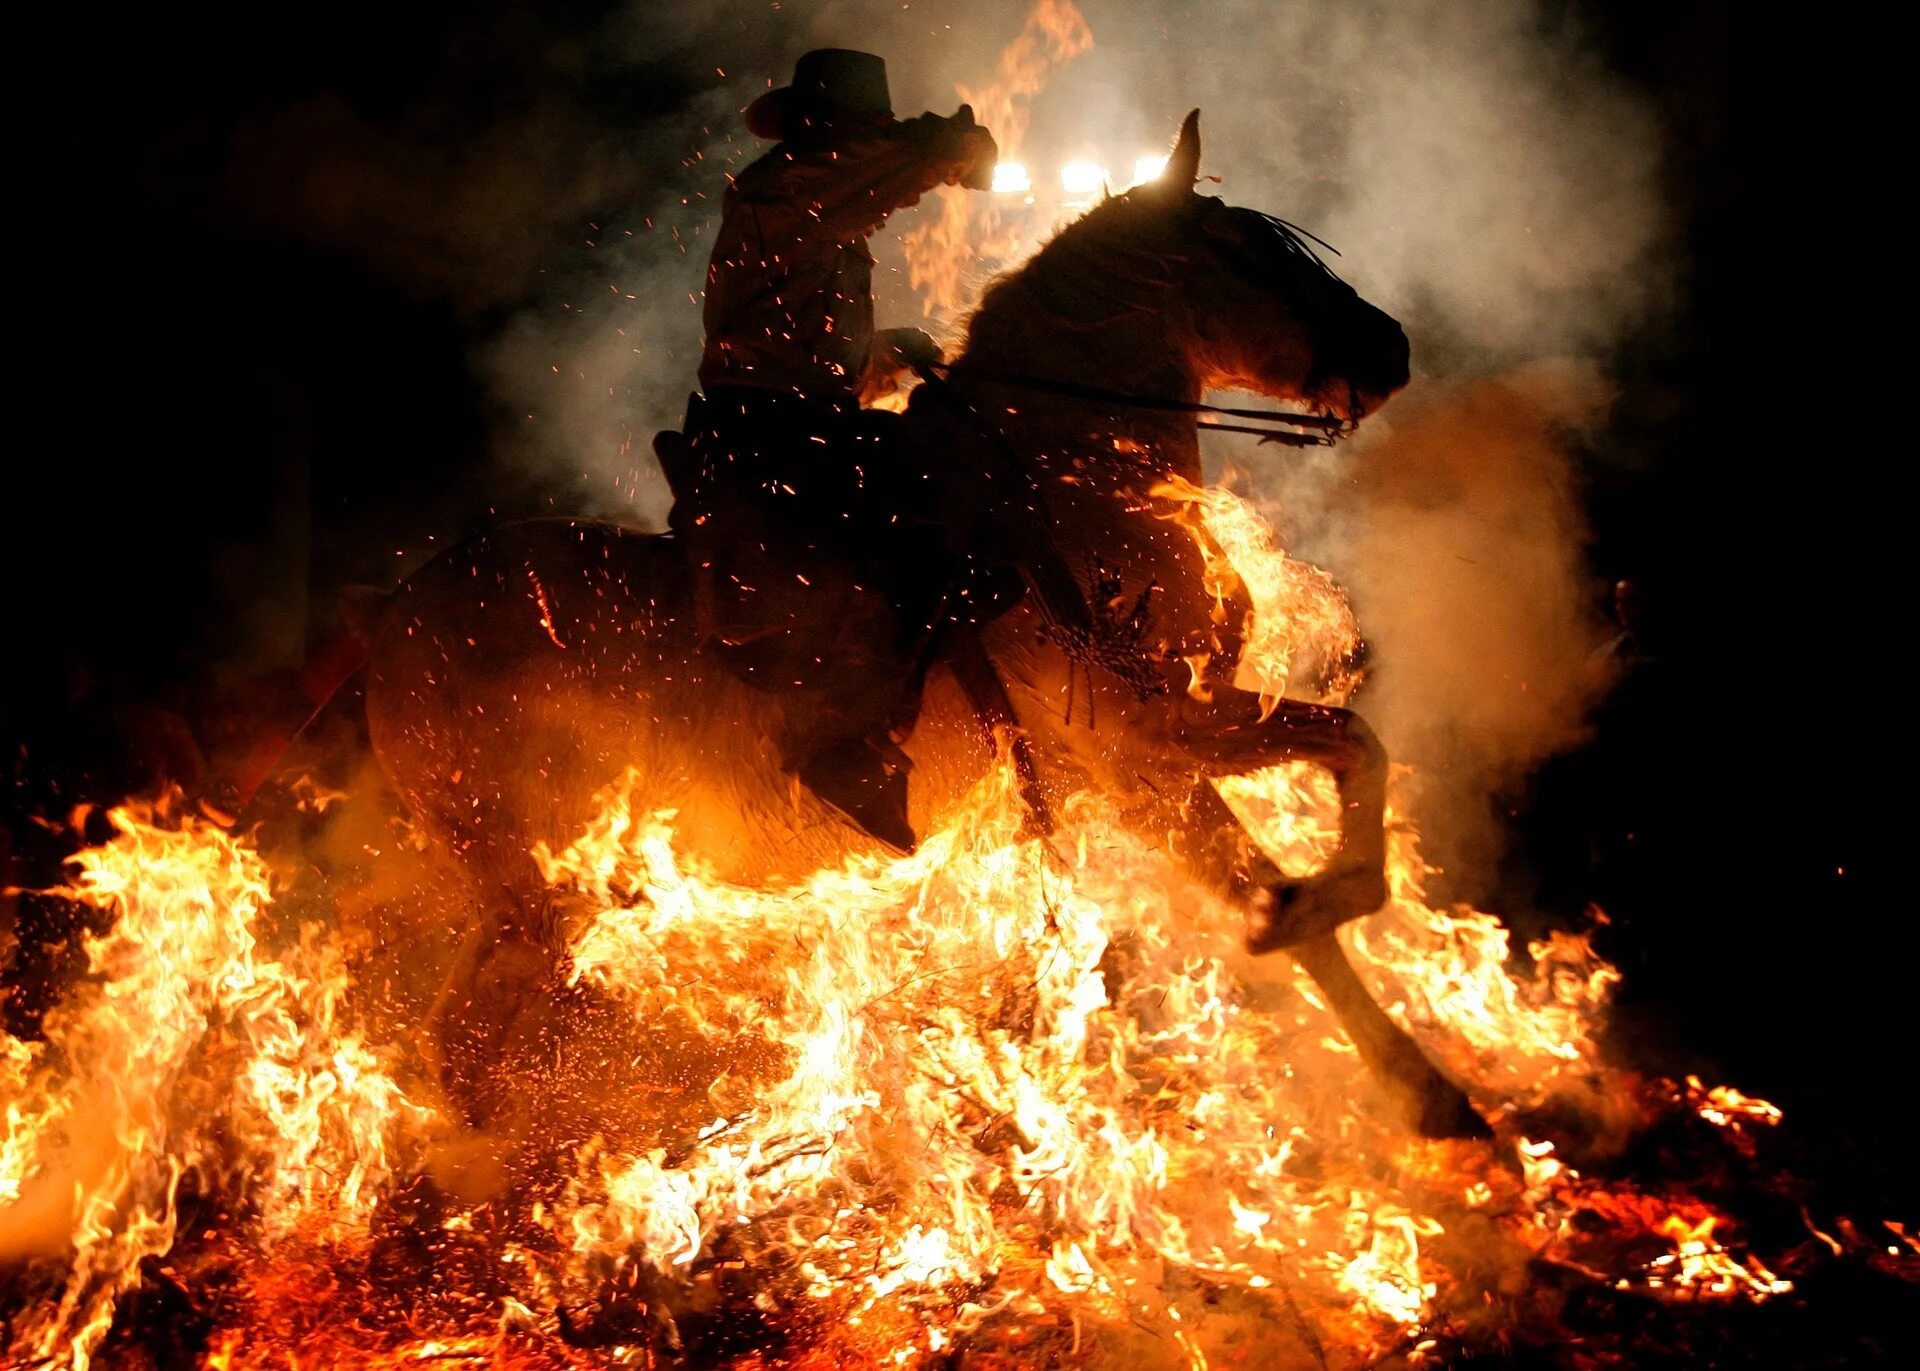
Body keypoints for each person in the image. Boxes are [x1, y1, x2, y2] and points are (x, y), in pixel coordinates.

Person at [661, 50, 1010, 852]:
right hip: (767, 433)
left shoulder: (823, 213)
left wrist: (889, 348)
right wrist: (940, 145)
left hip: (800, 416)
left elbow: (811, 346)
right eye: (858, 136)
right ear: (825, 135)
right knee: (909, 528)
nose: (861, 151)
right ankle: (839, 741)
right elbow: (890, 172)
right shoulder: (784, 192)